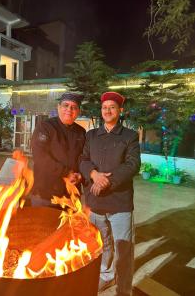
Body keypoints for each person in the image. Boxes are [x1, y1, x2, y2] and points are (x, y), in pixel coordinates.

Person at [79, 91, 141, 296]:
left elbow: (133, 165)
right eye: (105, 107)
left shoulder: (129, 136)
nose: (107, 110)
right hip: (95, 200)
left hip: (119, 202)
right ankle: (106, 276)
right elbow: (83, 160)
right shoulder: (91, 135)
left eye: (112, 107)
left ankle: (124, 289)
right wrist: (94, 174)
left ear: (120, 111)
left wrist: (107, 182)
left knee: (123, 249)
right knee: (102, 244)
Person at [31, 92, 86, 207]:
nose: (69, 110)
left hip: (71, 196)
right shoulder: (45, 127)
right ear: (58, 107)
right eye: (66, 105)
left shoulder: (81, 132)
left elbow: (83, 157)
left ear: (78, 112)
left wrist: (80, 175)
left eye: (74, 107)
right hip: (45, 195)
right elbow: (40, 157)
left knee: (70, 225)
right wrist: (67, 173)